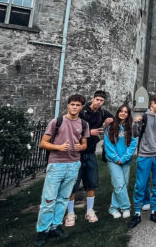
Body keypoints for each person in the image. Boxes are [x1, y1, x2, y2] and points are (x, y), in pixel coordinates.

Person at [35, 94, 90, 247]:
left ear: (81, 107)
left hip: (73, 164)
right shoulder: (57, 122)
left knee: (64, 198)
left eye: (78, 105)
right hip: (57, 164)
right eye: (72, 104)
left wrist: (81, 147)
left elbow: (84, 144)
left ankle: (56, 226)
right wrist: (58, 147)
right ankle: (42, 230)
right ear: (68, 105)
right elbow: (43, 143)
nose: (75, 107)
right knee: (49, 199)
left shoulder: (83, 124)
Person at [66, 90, 113, 226]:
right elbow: (72, 128)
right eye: (97, 99)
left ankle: (90, 210)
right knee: (72, 184)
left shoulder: (102, 113)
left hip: (91, 152)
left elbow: (116, 118)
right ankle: (70, 213)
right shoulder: (82, 111)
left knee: (91, 182)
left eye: (101, 101)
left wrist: (110, 120)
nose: (98, 102)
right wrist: (89, 132)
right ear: (93, 99)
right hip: (77, 153)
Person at [129, 93, 156, 228]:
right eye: (154, 102)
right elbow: (135, 133)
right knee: (140, 185)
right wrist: (136, 123)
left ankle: (154, 211)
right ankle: (137, 212)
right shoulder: (144, 117)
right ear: (151, 103)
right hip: (145, 154)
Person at [104, 105, 138, 219]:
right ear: (117, 112)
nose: (123, 113)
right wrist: (116, 158)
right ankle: (126, 207)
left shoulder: (132, 127)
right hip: (113, 160)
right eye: (121, 111)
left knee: (123, 184)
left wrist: (123, 158)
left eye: (126, 112)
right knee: (119, 184)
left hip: (125, 160)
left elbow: (133, 144)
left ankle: (113, 207)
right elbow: (108, 144)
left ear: (128, 114)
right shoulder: (110, 126)